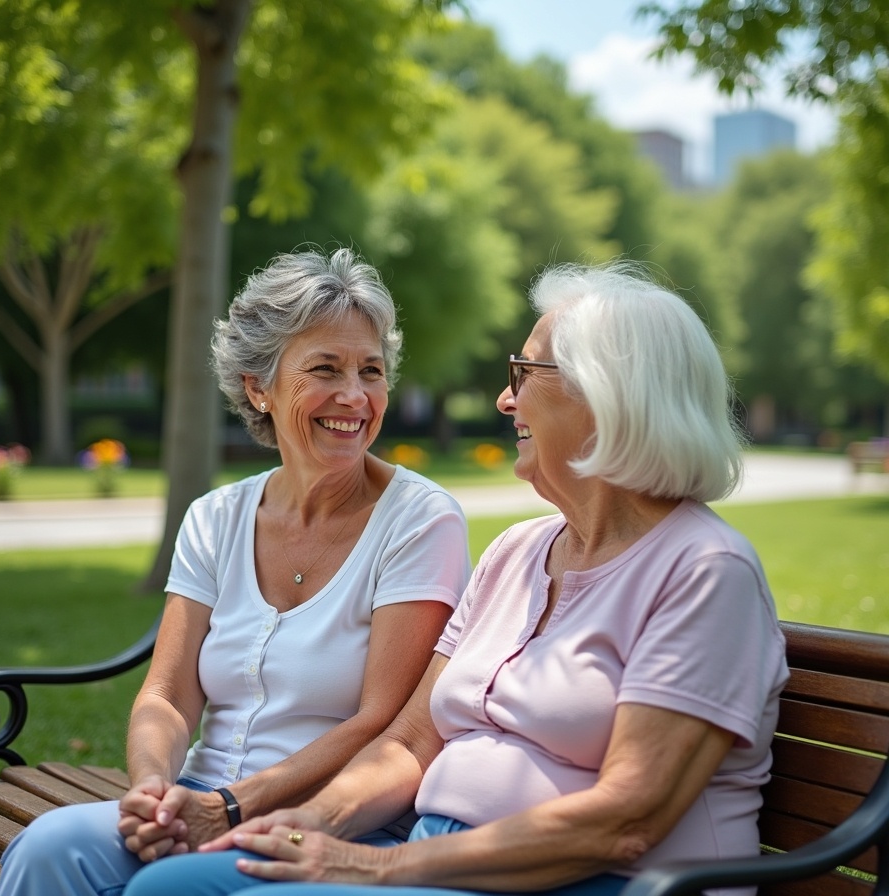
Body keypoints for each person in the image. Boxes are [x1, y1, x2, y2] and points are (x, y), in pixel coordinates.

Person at [122, 260, 790, 896]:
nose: (504, 399)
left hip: (590, 882)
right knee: (168, 885)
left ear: (608, 396)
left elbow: (623, 823)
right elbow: (411, 742)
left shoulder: (707, 573)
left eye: (524, 372)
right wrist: (315, 824)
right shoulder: (517, 553)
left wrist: (372, 866)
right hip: (445, 860)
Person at [0, 247, 472, 896]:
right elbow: (167, 696)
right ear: (258, 386)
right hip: (198, 798)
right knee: (45, 849)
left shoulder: (420, 521)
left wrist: (229, 808)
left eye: (372, 370)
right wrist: (152, 795)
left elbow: (379, 721)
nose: (355, 397)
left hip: (333, 824)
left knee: (159, 888)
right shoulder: (216, 517)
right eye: (325, 369)